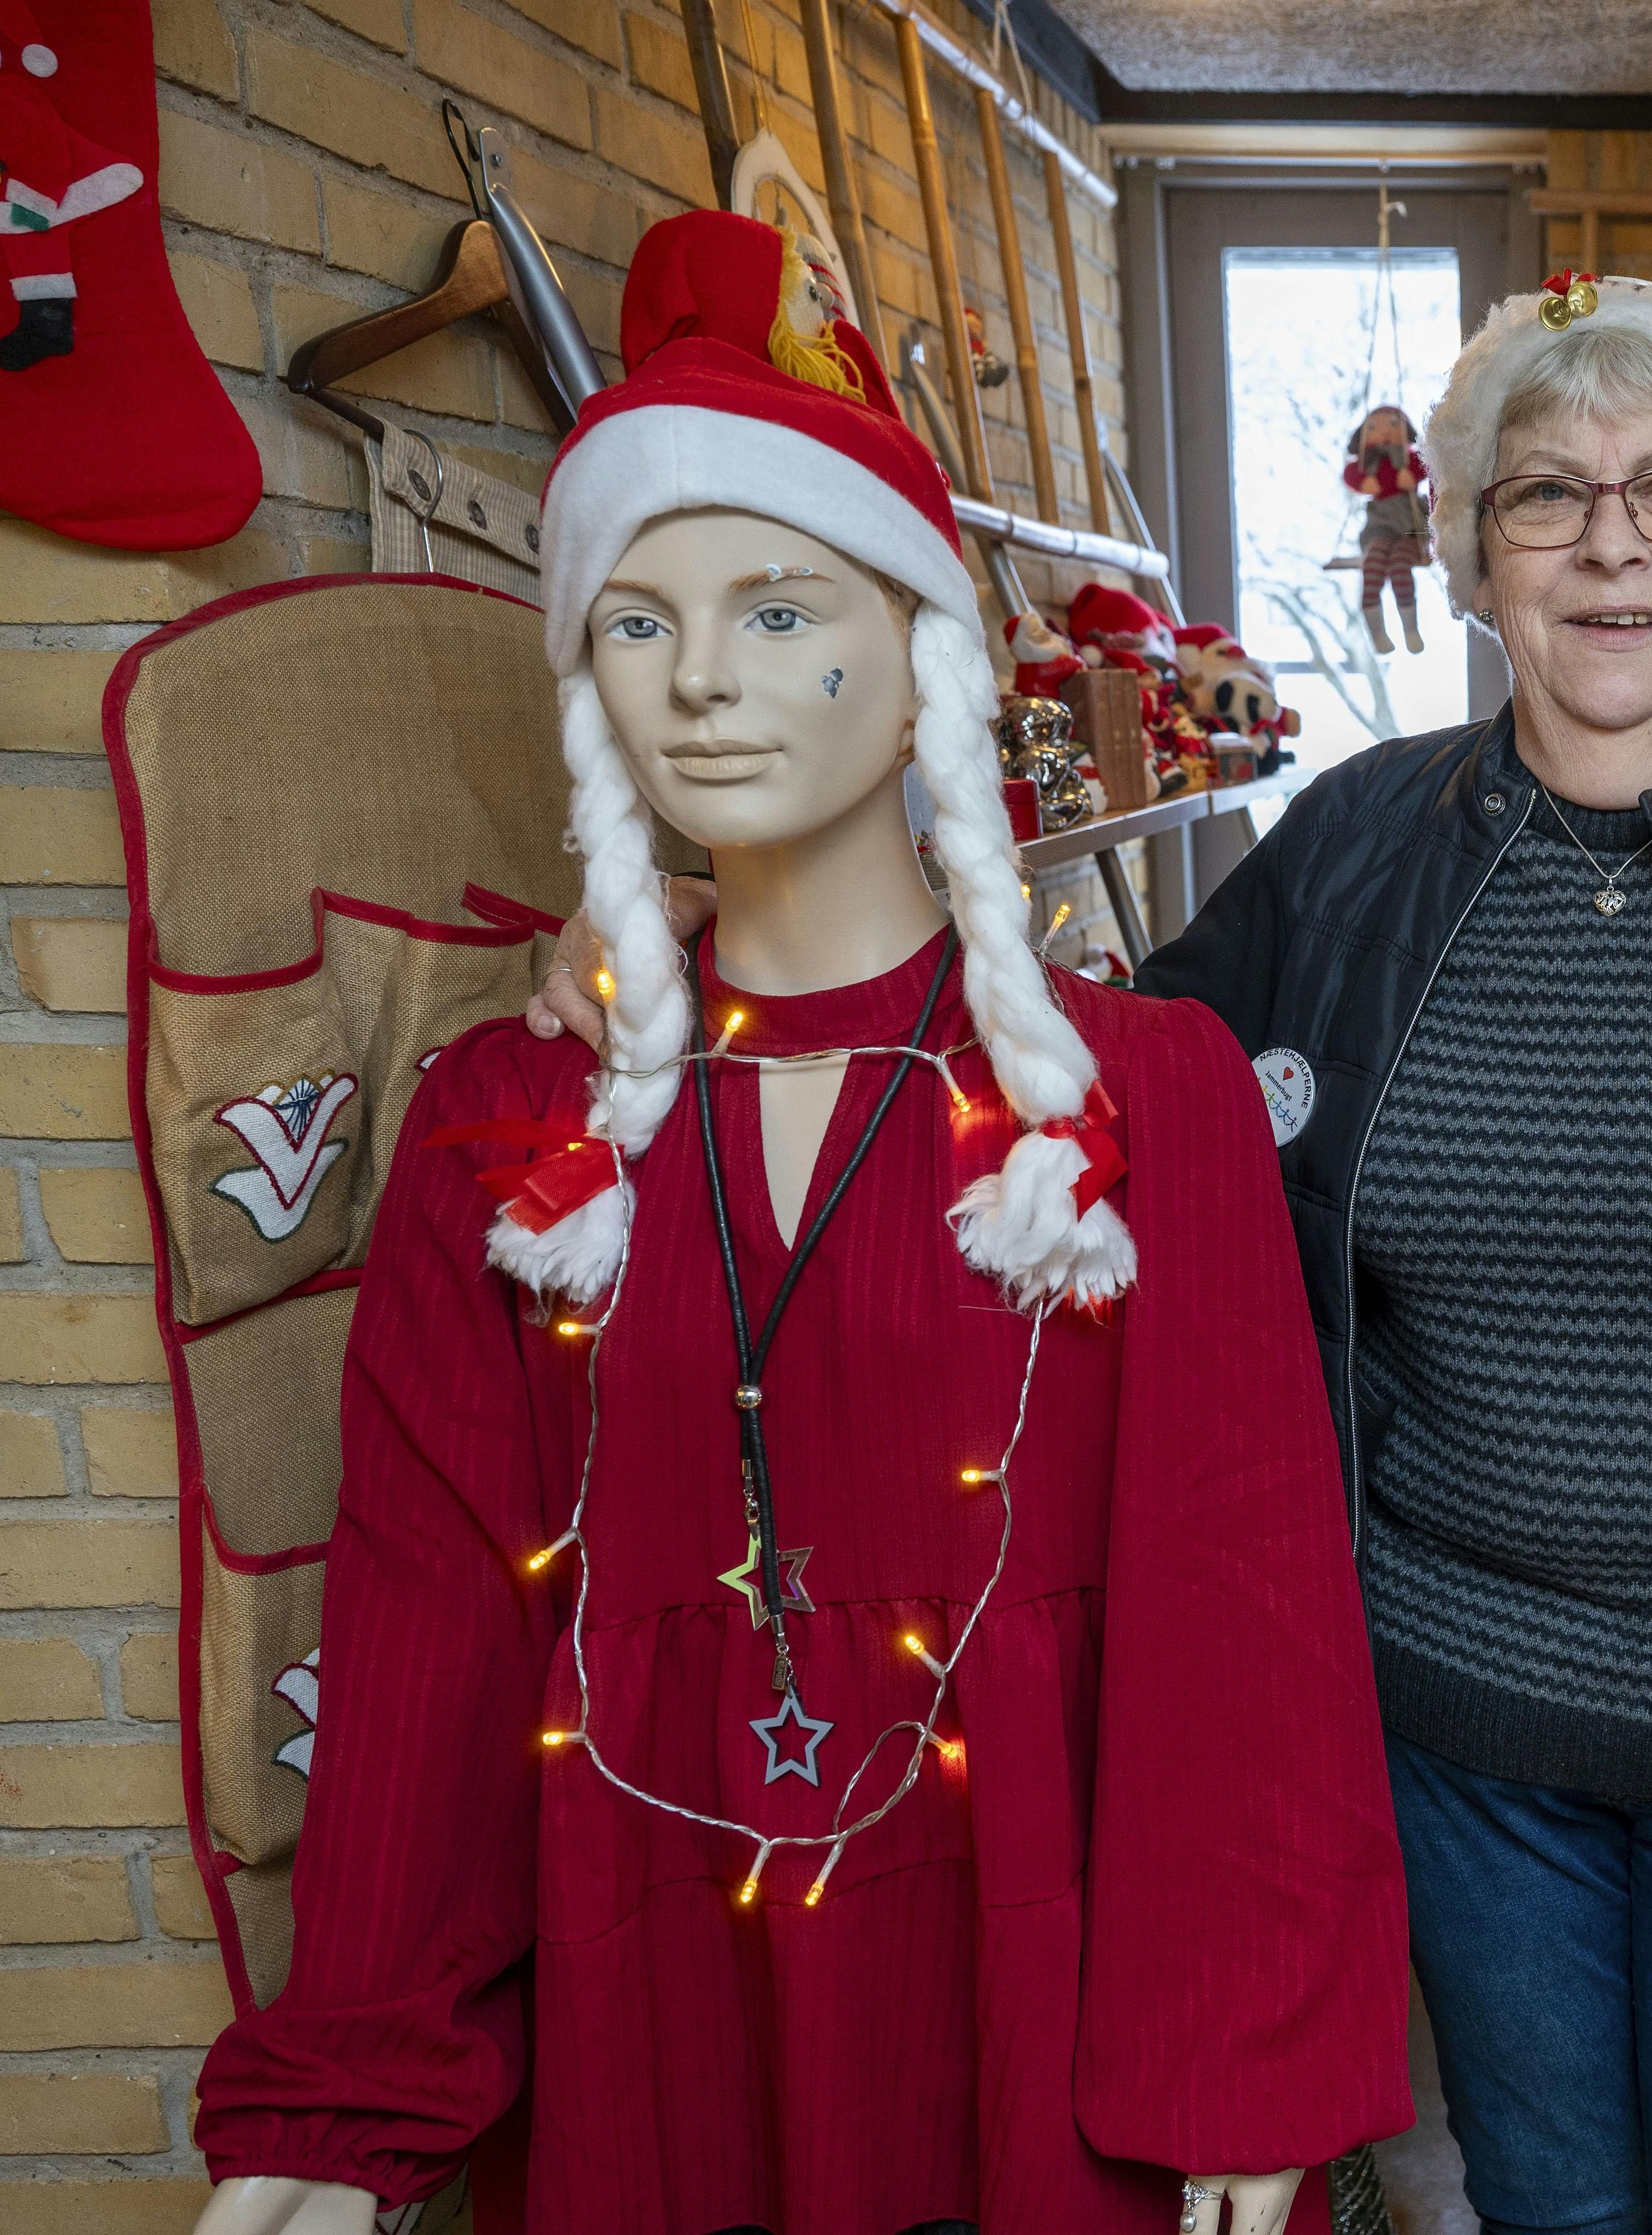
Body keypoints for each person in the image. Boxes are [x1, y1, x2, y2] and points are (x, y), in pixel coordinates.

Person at [535, 270, 1652, 2235]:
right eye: (1545, 496)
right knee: (1546, 2210)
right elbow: (1077, 1094)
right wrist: (696, 939)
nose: (1610, 542)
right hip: (1462, 1767)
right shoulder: (1356, 852)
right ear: (1467, 554)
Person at [199, 212, 1408, 2235]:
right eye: (640, 623)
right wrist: (346, 2102)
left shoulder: (1130, 1099)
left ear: (920, 644)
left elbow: (1244, 1597)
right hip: (661, 1971)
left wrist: (1242, 2056)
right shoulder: (516, 1122)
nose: (700, 687)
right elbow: (430, 1622)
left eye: (775, 611)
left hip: (1039, 1965)